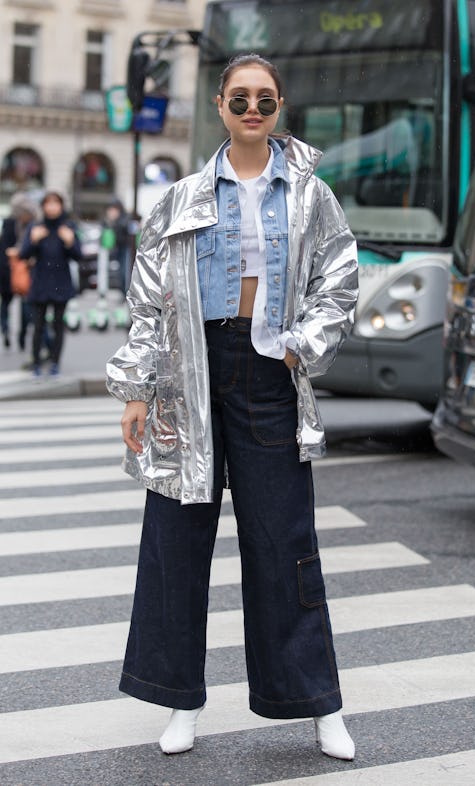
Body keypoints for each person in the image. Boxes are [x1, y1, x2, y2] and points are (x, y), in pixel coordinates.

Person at [106, 54, 359, 760]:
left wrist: (298, 345)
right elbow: (148, 297)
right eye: (240, 98)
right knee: (175, 545)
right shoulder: (183, 195)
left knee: (285, 544)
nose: (253, 109)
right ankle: (179, 700)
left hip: (270, 373)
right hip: (190, 373)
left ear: (280, 108)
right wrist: (135, 388)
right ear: (220, 105)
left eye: (265, 99)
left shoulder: (311, 194)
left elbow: (338, 282)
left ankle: (317, 704)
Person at [18, 190, 82, 376]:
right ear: (43, 206)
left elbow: (79, 256)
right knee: (37, 325)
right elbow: (23, 255)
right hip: (40, 283)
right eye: (48, 203)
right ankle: (36, 362)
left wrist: (70, 242)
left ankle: (55, 362)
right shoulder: (36, 227)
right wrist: (33, 240)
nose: (52, 207)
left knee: (58, 325)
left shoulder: (68, 227)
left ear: (61, 206)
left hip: (61, 283)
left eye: (56, 203)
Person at [0, 192, 38, 349]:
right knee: (18, 306)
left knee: (14, 305)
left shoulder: (25, 224)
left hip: (14, 269)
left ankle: (12, 332)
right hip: (15, 269)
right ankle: (14, 334)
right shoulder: (23, 222)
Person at [102, 198, 130, 296]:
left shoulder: (124, 219)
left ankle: (126, 293)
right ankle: (123, 293)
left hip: (126, 249)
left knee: (124, 272)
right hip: (118, 250)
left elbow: (125, 233)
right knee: (120, 273)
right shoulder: (109, 221)